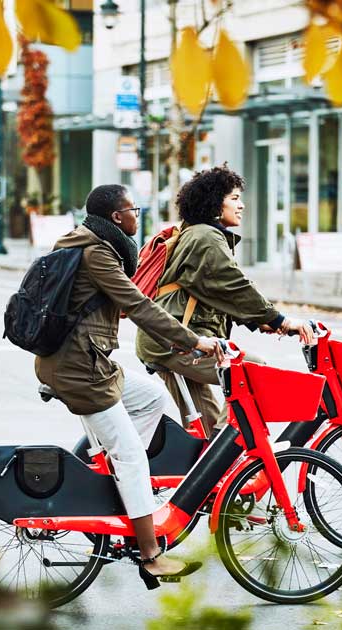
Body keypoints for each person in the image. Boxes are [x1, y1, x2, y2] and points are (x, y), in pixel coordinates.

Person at [34, 184, 223, 584]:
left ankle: (115, 481)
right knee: (134, 457)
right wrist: (195, 341)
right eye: (134, 209)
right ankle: (149, 552)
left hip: (84, 362)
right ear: (117, 217)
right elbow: (138, 306)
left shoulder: (83, 242)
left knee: (152, 396)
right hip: (81, 371)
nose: (138, 216)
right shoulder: (97, 253)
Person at [135, 165, 313, 437]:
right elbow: (234, 286)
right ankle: (225, 449)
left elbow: (214, 292)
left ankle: (208, 469)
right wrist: (279, 320)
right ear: (214, 203)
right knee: (252, 371)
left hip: (164, 338)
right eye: (234, 198)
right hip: (176, 340)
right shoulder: (206, 236)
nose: (241, 206)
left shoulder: (194, 233)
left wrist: (260, 323)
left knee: (205, 432)